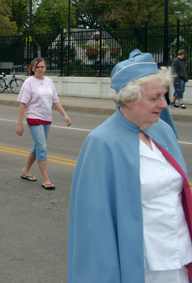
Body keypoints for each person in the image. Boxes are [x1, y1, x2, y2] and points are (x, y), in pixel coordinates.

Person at [68, 50, 192, 283]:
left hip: (180, 256)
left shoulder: (163, 131)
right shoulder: (101, 142)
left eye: (164, 95)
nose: (164, 105)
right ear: (130, 98)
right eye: (155, 98)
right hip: (142, 265)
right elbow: (94, 224)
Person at [16, 57, 71, 190]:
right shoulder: (29, 82)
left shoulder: (49, 82)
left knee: (38, 146)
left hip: (47, 118)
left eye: (42, 66)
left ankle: (25, 170)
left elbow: (55, 101)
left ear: (45, 68)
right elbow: (23, 104)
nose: (40, 69)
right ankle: (46, 180)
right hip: (34, 118)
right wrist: (19, 124)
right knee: (41, 148)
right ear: (33, 68)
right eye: (37, 67)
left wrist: (65, 115)